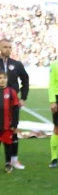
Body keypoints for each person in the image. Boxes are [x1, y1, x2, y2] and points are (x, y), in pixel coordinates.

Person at [0, 39, 29, 170]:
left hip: (12, 102)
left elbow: (25, 80)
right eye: (5, 47)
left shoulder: (16, 64)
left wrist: (23, 97)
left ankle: (13, 160)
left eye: (9, 47)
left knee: (13, 129)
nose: (8, 49)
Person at [0, 71, 20, 173]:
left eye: (4, 78)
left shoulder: (12, 92)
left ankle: (8, 163)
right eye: (0, 78)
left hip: (7, 126)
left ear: (7, 79)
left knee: (8, 145)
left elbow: (16, 109)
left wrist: (14, 124)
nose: (2, 80)